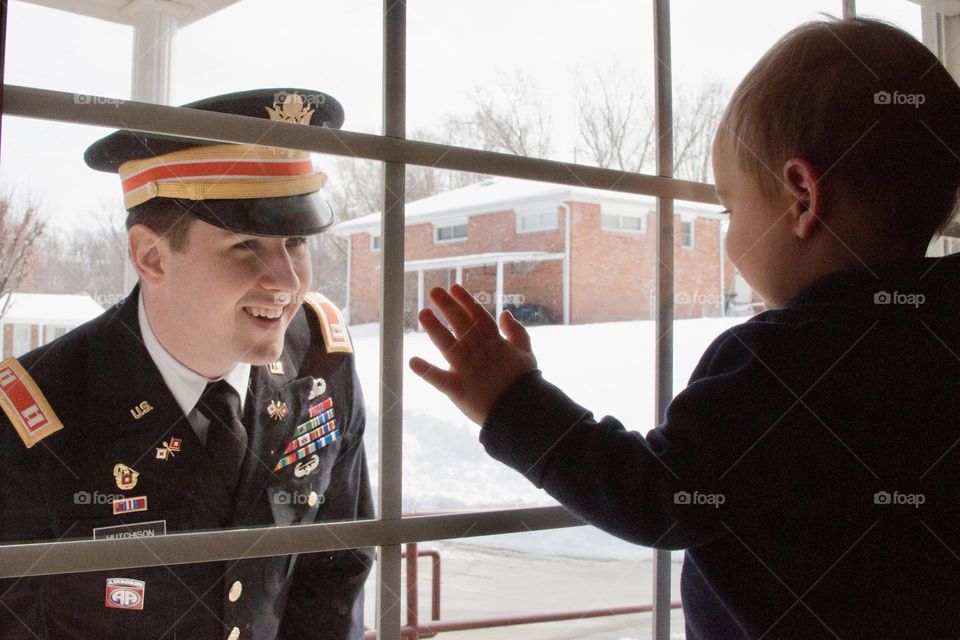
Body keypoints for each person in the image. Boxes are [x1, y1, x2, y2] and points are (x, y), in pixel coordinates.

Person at [409, 18, 960, 640]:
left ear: (803, 197)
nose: (727, 231)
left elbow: (661, 496)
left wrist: (513, 404)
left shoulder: (780, 362)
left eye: (729, 207)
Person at [0, 89, 373, 640]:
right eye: (247, 245)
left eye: (295, 240)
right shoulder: (37, 415)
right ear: (151, 256)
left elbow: (334, 573)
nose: (288, 281)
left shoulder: (322, 362)